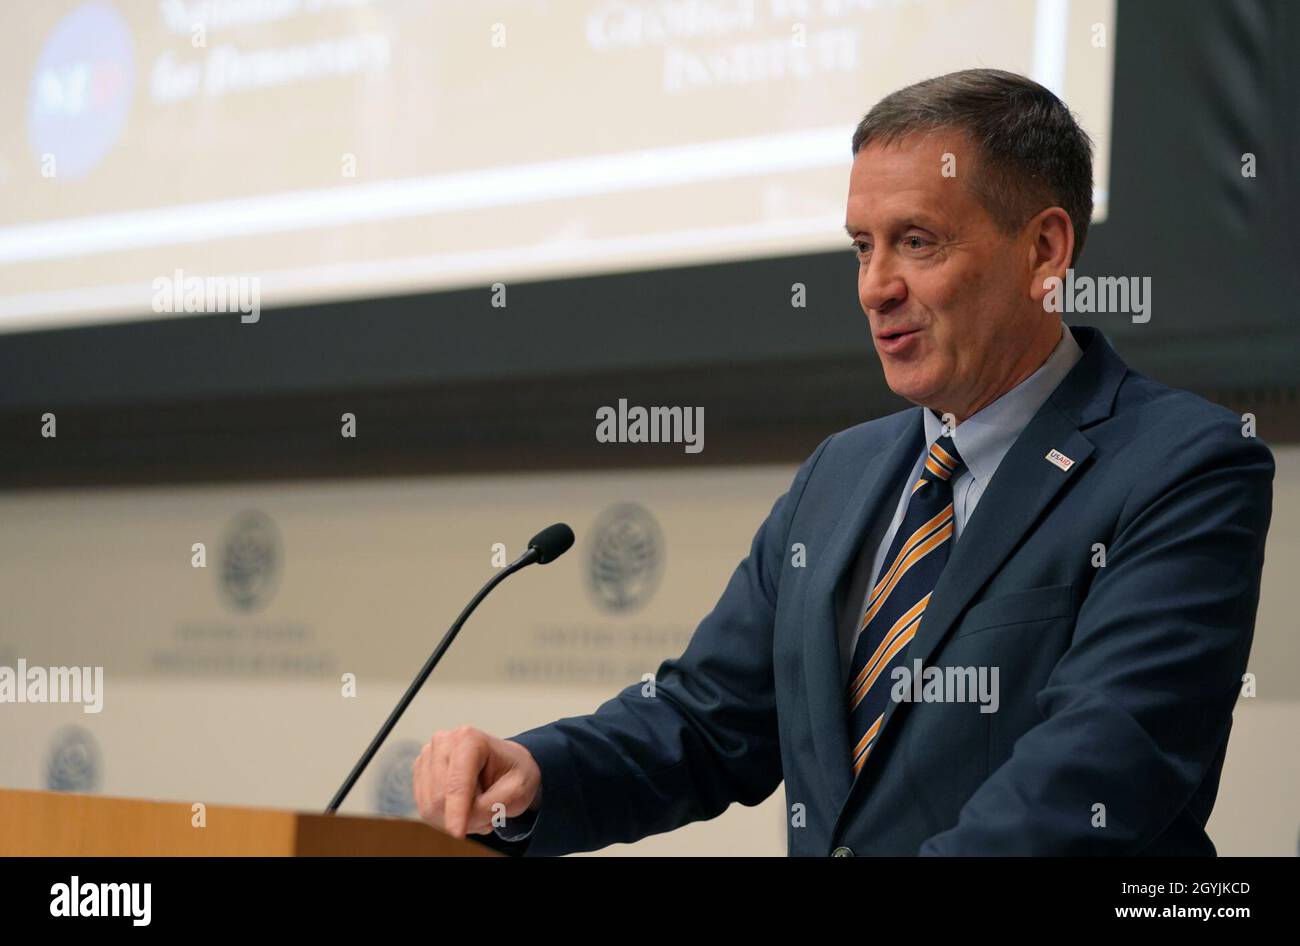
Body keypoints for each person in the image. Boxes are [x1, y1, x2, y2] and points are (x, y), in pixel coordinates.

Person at [412, 69, 1274, 856]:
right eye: (862, 246)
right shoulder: (842, 472)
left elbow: (1094, 775)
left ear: (1045, 252)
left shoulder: (1182, 467)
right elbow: (708, 722)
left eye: (918, 242)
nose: (874, 287)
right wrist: (534, 771)